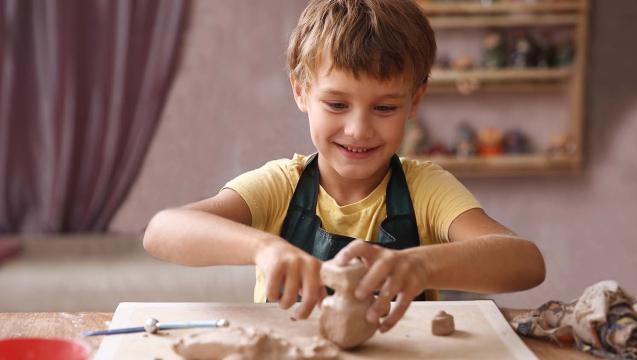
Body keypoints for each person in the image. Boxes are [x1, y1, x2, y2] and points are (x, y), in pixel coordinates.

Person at [143, 0, 545, 334]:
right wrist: (264, 248)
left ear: (415, 102)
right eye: (337, 104)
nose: (358, 129)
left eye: (384, 107)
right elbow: (163, 231)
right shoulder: (281, 186)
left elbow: (525, 263)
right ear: (301, 91)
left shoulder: (426, 189)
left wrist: (419, 266)